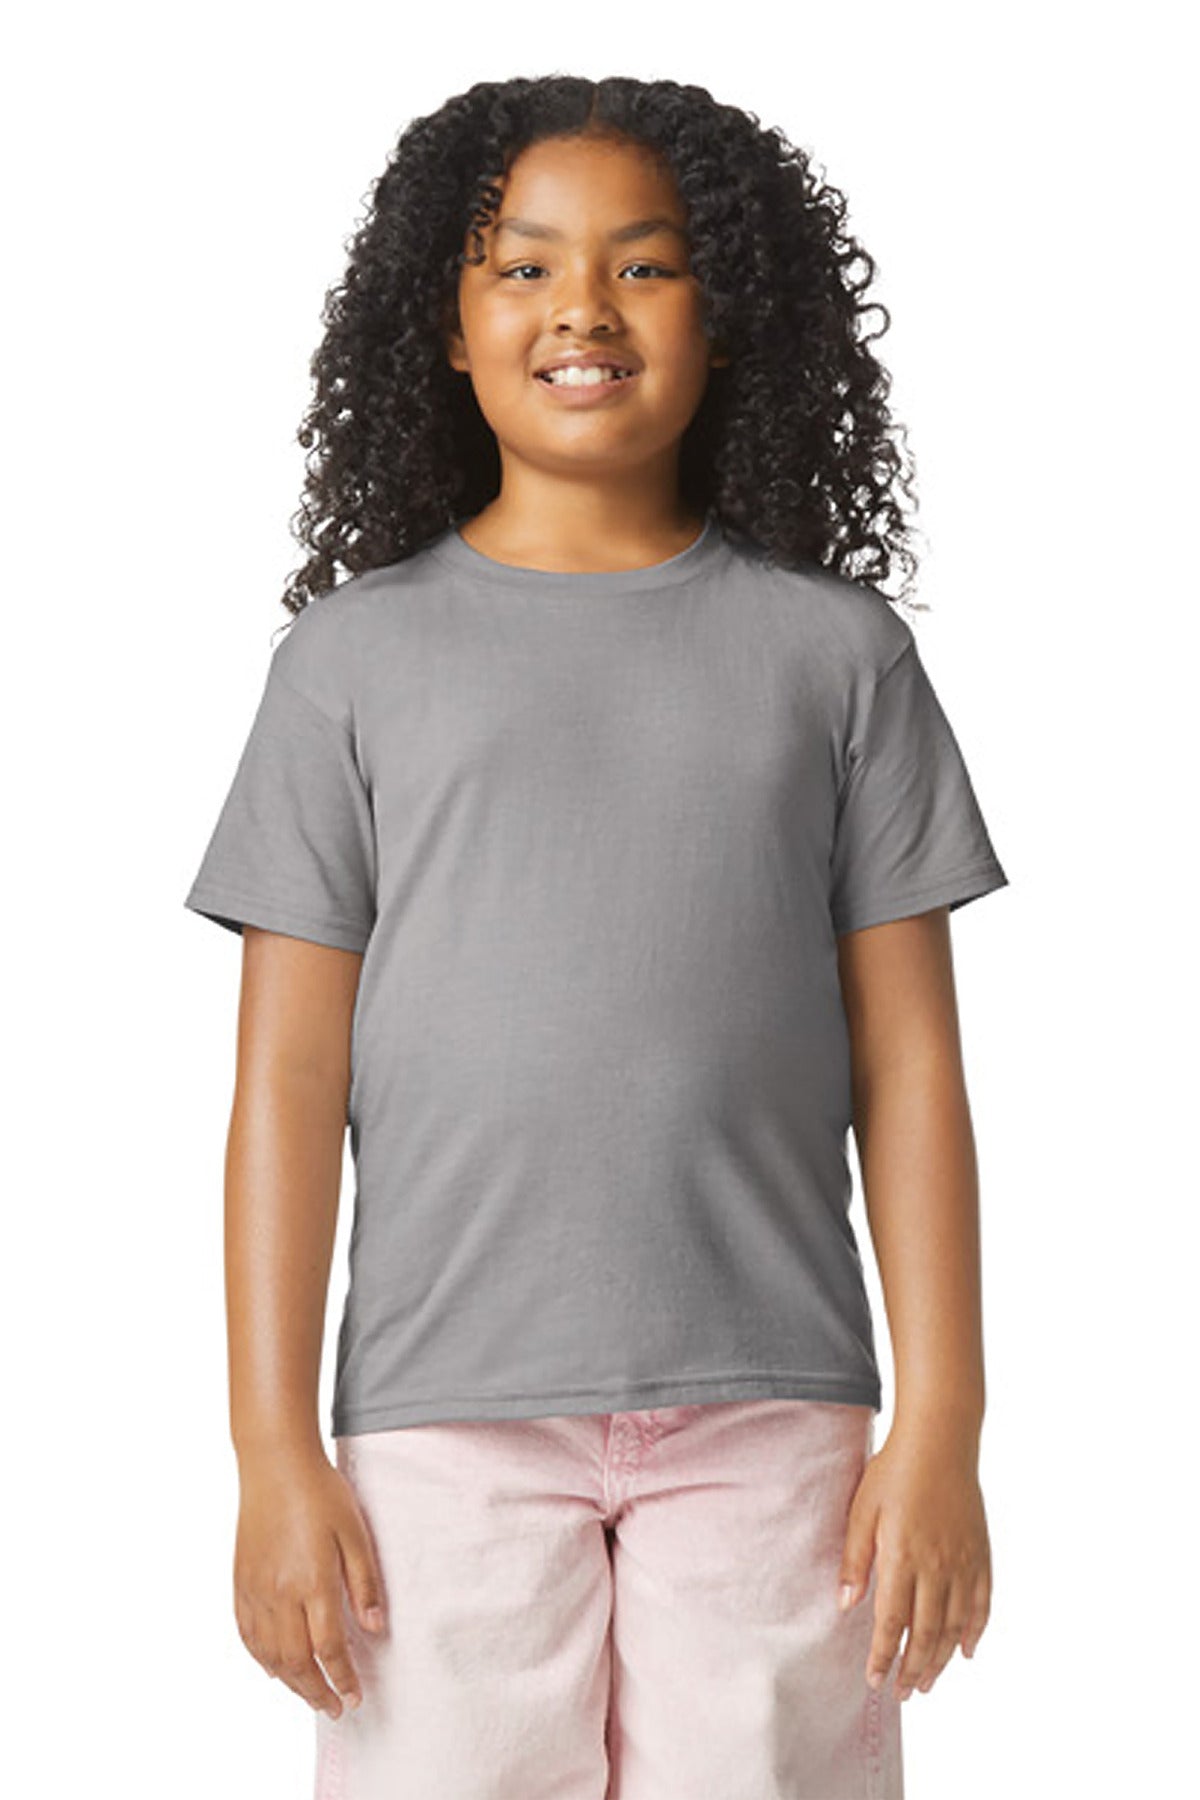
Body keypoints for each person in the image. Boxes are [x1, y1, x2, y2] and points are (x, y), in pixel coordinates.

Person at [183, 74, 1009, 1800]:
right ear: (447, 324)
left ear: (732, 312)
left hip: (774, 1417)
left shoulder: (839, 658)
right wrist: (272, 1449)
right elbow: (288, 1080)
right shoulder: (348, 665)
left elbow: (912, 1067)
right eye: (525, 267)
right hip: (437, 1427)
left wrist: (942, 1425)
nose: (583, 308)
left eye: (645, 265)